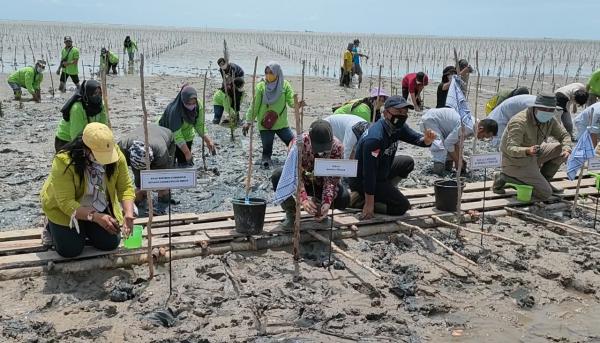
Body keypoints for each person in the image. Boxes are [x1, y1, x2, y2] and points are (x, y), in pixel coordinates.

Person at [40, 122, 135, 257]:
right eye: (99, 155)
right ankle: (50, 225)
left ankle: (86, 227)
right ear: (86, 149)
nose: (105, 160)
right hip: (65, 210)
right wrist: (95, 217)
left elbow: (125, 187)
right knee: (70, 250)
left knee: (110, 243)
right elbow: (66, 203)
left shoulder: (116, 155)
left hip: (97, 205)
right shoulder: (63, 161)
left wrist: (128, 214)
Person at [350, 96, 436, 219]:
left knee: (407, 162)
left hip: (381, 171)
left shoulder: (398, 127)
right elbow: (369, 173)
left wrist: (427, 140)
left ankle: (384, 191)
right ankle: (361, 201)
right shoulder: (375, 138)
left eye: (405, 112)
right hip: (363, 180)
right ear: (386, 113)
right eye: (398, 112)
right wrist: (369, 205)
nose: (402, 115)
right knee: (402, 207)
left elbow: (417, 139)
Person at [272, 120, 350, 229]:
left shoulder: (337, 147)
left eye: (325, 148)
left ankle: (319, 208)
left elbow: (331, 179)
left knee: (344, 198)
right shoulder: (297, 145)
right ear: (310, 139)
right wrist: (303, 198)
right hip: (301, 182)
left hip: (321, 184)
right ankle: (291, 213)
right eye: (318, 148)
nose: (321, 152)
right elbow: (294, 174)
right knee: (277, 175)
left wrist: (326, 202)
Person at [494, 93, 572, 200]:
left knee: (560, 149)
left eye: (551, 110)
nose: (548, 113)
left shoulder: (550, 120)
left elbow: (564, 135)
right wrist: (527, 151)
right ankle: (505, 177)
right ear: (535, 107)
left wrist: (567, 149)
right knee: (545, 193)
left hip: (534, 154)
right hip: (516, 161)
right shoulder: (519, 122)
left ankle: (545, 180)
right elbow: (510, 148)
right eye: (544, 109)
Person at [243, 62, 301, 169]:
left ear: (277, 73)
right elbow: (254, 106)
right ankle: (265, 165)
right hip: (265, 124)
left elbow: (291, 102)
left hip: (281, 123)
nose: (268, 75)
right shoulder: (261, 86)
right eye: (266, 73)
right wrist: (248, 121)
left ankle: (296, 161)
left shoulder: (285, 85)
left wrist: (297, 104)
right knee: (267, 149)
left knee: (293, 143)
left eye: (271, 73)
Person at [421, 108, 497, 175]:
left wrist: (460, 159)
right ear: (480, 129)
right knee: (439, 145)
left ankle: (447, 168)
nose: (482, 139)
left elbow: (456, 142)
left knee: (450, 150)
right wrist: (457, 161)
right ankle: (438, 170)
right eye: (483, 136)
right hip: (432, 119)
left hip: (442, 123)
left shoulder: (474, 125)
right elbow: (448, 143)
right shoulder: (467, 126)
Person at [118, 123, 176, 204]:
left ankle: (163, 201)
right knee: (140, 184)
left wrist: (155, 183)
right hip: (144, 134)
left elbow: (162, 176)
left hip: (165, 136)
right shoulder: (122, 147)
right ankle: (141, 199)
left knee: (164, 183)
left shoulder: (161, 154)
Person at [159, 85, 216, 167]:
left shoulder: (198, 105)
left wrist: (208, 140)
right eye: (188, 103)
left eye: (193, 103)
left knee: (184, 163)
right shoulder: (175, 111)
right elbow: (176, 134)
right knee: (171, 163)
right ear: (183, 101)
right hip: (169, 136)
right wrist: (186, 152)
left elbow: (199, 125)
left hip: (187, 135)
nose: (191, 106)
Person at [55, 79, 108, 152]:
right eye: (94, 93)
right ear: (87, 94)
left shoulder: (100, 105)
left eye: (99, 93)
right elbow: (76, 135)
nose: (98, 96)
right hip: (66, 141)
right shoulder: (77, 108)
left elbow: (103, 125)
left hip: (87, 137)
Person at [213, 57, 245, 124]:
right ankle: (234, 117)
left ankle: (236, 116)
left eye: (223, 64)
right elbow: (224, 79)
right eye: (220, 65)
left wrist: (233, 86)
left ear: (226, 62)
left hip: (239, 75)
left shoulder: (232, 67)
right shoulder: (222, 70)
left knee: (236, 97)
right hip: (222, 97)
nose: (222, 66)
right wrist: (226, 86)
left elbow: (234, 80)